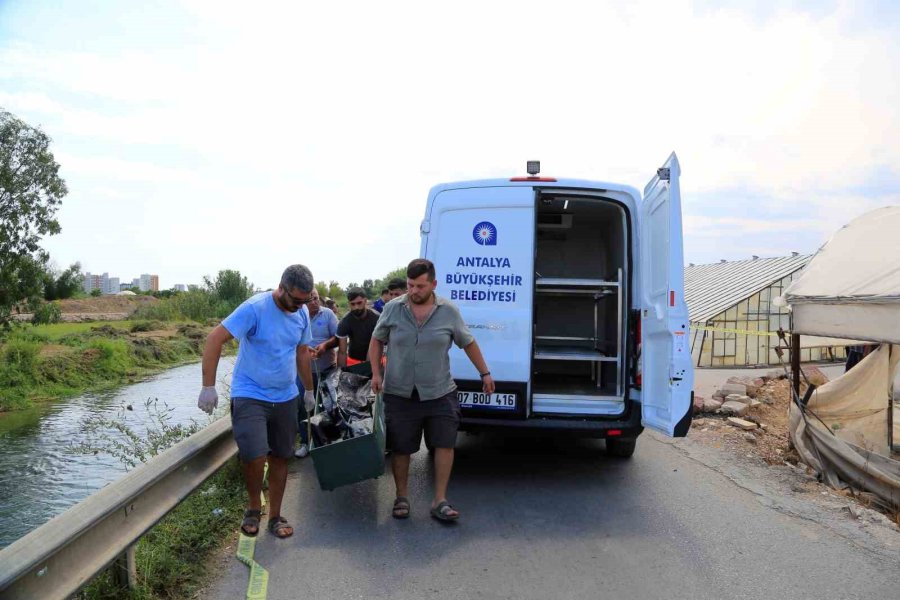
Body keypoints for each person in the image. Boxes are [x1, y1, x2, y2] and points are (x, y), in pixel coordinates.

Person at [369, 258, 494, 523]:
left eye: (420, 286)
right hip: (400, 392)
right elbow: (376, 340)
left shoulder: (448, 311)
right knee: (401, 447)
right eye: (410, 285)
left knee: (444, 444)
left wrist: (485, 373)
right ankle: (401, 497)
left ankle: (440, 500)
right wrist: (376, 373)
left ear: (433, 284)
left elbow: (467, 342)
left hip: (439, 392)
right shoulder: (392, 309)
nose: (414, 291)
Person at [197, 264, 316, 539]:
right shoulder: (255, 308)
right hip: (251, 393)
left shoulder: (302, 313)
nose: (300, 306)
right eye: (296, 300)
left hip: (286, 395)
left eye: (305, 301)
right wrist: (208, 386)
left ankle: (275, 515)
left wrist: (308, 390)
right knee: (254, 454)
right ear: (281, 288)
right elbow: (215, 339)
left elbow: (301, 352)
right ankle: (253, 507)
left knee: (281, 456)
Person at [294, 288, 339, 458]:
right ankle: (306, 442)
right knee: (302, 408)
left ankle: (330, 442)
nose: (314, 302)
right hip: (302, 372)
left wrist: (325, 346)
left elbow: (339, 337)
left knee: (329, 405)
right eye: (310, 299)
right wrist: (305, 351)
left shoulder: (328, 314)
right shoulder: (297, 316)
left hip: (327, 368)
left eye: (316, 298)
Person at [322, 287, 380, 368]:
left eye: (359, 303)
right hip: (354, 359)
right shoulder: (345, 321)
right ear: (349, 304)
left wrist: (369, 368)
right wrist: (340, 373)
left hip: (375, 356)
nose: (356, 307)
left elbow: (378, 345)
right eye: (353, 304)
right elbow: (342, 352)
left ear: (365, 301)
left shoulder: (377, 318)